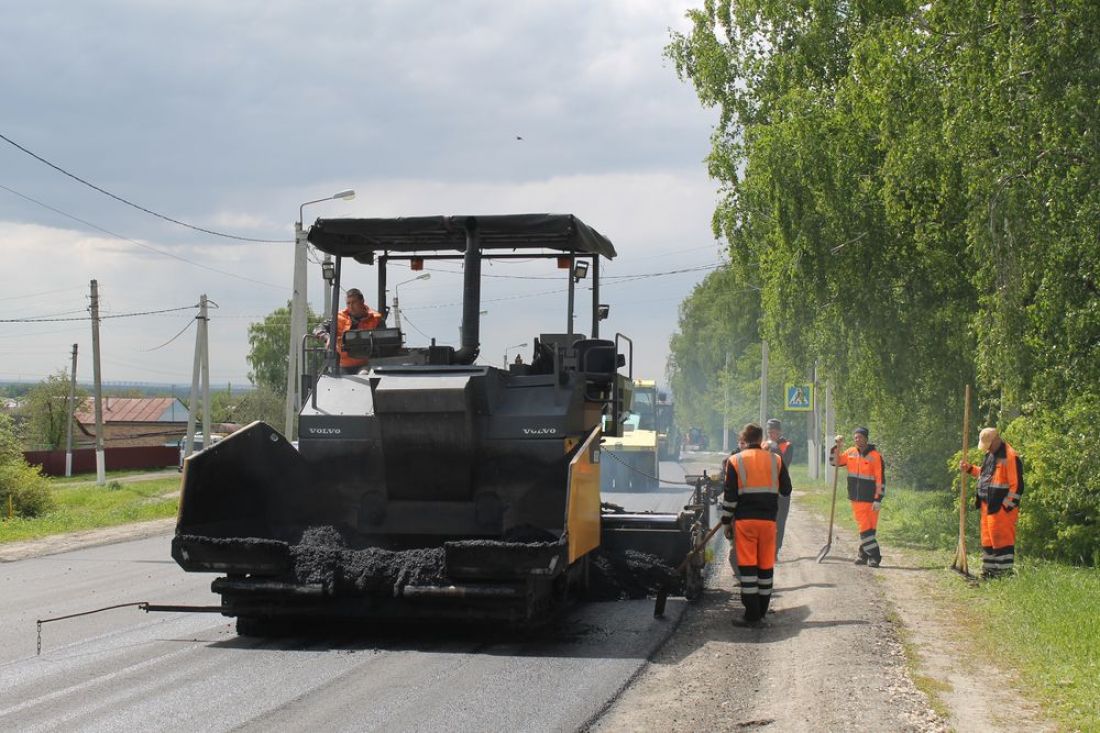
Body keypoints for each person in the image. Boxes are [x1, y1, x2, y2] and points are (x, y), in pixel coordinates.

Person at [722, 423, 793, 627]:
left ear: (745, 438)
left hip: (746, 523)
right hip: (768, 522)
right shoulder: (776, 460)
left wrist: (727, 521)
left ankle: (752, 616)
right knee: (765, 568)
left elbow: (730, 497)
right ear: (760, 438)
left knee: (748, 569)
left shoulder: (735, 461)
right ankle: (761, 612)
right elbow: (786, 490)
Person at [961, 427, 1023, 578]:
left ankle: (1003, 575)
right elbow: (984, 474)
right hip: (986, 506)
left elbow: (1018, 486)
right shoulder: (991, 454)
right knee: (988, 541)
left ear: (996, 440)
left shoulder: (1010, 456)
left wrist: (1005, 507)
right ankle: (989, 573)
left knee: (1002, 541)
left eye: (988, 444)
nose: (986, 448)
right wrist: (969, 469)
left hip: (1001, 509)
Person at [830, 427, 885, 567]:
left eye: (859, 437)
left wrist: (878, 498)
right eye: (855, 437)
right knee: (864, 527)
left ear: (866, 438)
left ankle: (862, 555)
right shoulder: (850, 452)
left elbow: (880, 479)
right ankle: (875, 557)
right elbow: (834, 462)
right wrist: (837, 447)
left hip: (872, 498)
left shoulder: (875, 456)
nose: (857, 439)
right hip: (856, 498)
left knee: (871, 529)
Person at [316, 288, 383, 374]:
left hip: (365, 365)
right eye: (348, 303)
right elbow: (318, 328)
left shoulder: (375, 319)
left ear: (362, 301)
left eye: (354, 302)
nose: (351, 306)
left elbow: (383, 341)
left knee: (364, 375)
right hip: (342, 365)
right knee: (337, 379)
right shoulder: (339, 318)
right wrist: (327, 336)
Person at [763, 418, 794, 559]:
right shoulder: (762, 444)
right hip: (766, 488)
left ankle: (775, 550)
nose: (772, 435)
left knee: (780, 521)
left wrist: (774, 447)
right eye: (770, 432)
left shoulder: (787, 445)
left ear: (780, 432)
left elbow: (784, 463)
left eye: (774, 432)